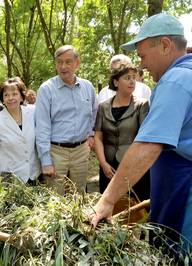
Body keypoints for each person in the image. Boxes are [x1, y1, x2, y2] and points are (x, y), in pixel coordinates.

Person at [90, 13, 192, 252]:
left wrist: (106, 201)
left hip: (184, 196)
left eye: (143, 56)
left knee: (177, 252)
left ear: (165, 45)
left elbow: (148, 146)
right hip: (176, 187)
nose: (142, 65)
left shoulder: (175, 81)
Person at [35, 45, 97, 193]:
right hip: (56, 151)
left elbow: (94, 112)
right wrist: (46, 161)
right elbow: (42, 127)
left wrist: (91, 134)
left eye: (68, 62)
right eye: (59, 62)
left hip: (81, 151)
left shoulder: (87, 87)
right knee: (56, 198)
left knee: (80, 194)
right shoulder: (46, 89)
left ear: (77, 63)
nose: (63, 66)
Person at [94, 61, 150, 201]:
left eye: (133, 77)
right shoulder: (103, 107)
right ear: (116, 82)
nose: (132, 81)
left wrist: (134, 164)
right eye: (127, 78)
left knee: (136, 207)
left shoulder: (141, 105)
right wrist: (103, 163)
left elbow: (144, 139)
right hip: (109, 168)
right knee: (108, 206)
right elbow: (98, 137)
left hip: (134, 166)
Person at [0, 77, 41, 184]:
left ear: (22, 97)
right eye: (6, 95)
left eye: (14, 94)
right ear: (2, 99)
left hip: (36, 174)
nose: (10, 98)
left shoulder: (33, 112)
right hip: (12, 179)